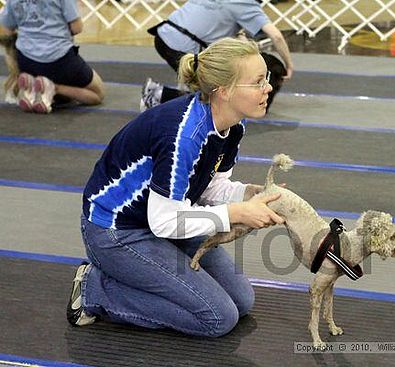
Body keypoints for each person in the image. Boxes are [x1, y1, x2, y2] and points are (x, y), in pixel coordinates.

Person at [66, 37, 285, 337]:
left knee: (241, 301)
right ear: (224, 91)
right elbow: (165, 220)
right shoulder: (182, 137)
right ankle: (94, 289)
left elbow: (211, 189)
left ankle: (143, 279)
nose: (268, 88)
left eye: (267, 79)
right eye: (258, 81)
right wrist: (236, 212)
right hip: (116, 233)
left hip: (164, 220)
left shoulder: (233, 125)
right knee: (218, 318)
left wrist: (251, 194)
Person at [140, 0, 293, 112]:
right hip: (179, 46)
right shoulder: (245, 4)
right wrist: (289, 65)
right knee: (215, 94)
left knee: (213, 88)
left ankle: (164, 93)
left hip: (164, 35)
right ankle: (158, 94)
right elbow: (276, 36)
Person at [0, 0, 104, 113]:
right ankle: (54, 87)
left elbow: (6, 30)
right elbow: (77, 28)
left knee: (65, 99)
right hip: (59, 59)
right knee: (98, 94)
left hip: (26, 60)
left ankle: (33, 88)